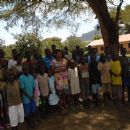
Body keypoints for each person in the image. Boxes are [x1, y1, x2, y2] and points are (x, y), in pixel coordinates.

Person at [19, 63, 36, 129]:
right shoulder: (21, 77)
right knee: (27, 113)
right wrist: (29, 97)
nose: (26, 70)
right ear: (22, 70)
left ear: (29, 69)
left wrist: (33, 95)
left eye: (27, 69)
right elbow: (22, 89)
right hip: (26, 99)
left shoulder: (31, 76)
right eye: (24, 69)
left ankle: (33, 123)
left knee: (33, 111)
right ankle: (29, 124)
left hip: (32, 97)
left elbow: (34, 87)